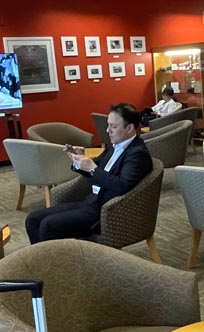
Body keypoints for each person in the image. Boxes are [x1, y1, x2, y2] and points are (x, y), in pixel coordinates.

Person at [25, 103, 152, 244]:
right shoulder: (114, 145)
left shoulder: (137, 154)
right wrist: (79, 160)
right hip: (90, 202)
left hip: (107, 212)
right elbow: (96, 165)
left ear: (129, 128)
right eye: (108, 125)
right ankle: (42, 262)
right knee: (33, 219)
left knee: (48, 225)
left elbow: (122, 185)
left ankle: (57, 264)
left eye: (113, 126)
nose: (108, 130)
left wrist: (92, 168)